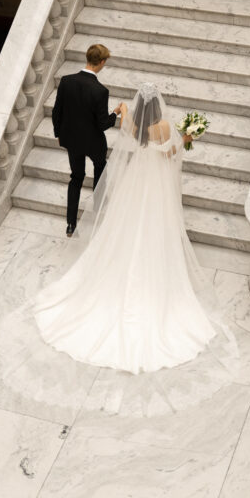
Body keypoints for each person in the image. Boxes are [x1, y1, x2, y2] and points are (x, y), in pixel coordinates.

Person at [34, 82, 220, 374]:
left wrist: (122, 110)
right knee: (157, 224)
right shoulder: (164, 127)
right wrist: (187, 136)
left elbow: (125, 124)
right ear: (159, 107)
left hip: (136, 179)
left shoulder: (134, 126)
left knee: (125, 223)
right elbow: (172, 155)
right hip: (156, 182)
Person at [51, 43, 126, 237]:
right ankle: (98, 206)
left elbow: (56, 111)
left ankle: (70, 224)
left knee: (76, 178)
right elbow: (103, 124)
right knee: (100, 167)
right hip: (93, 142)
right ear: (101, 62)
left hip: (72, 140)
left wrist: (59, 134)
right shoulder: (100, 91)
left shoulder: (66, 81)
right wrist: (116, 112)